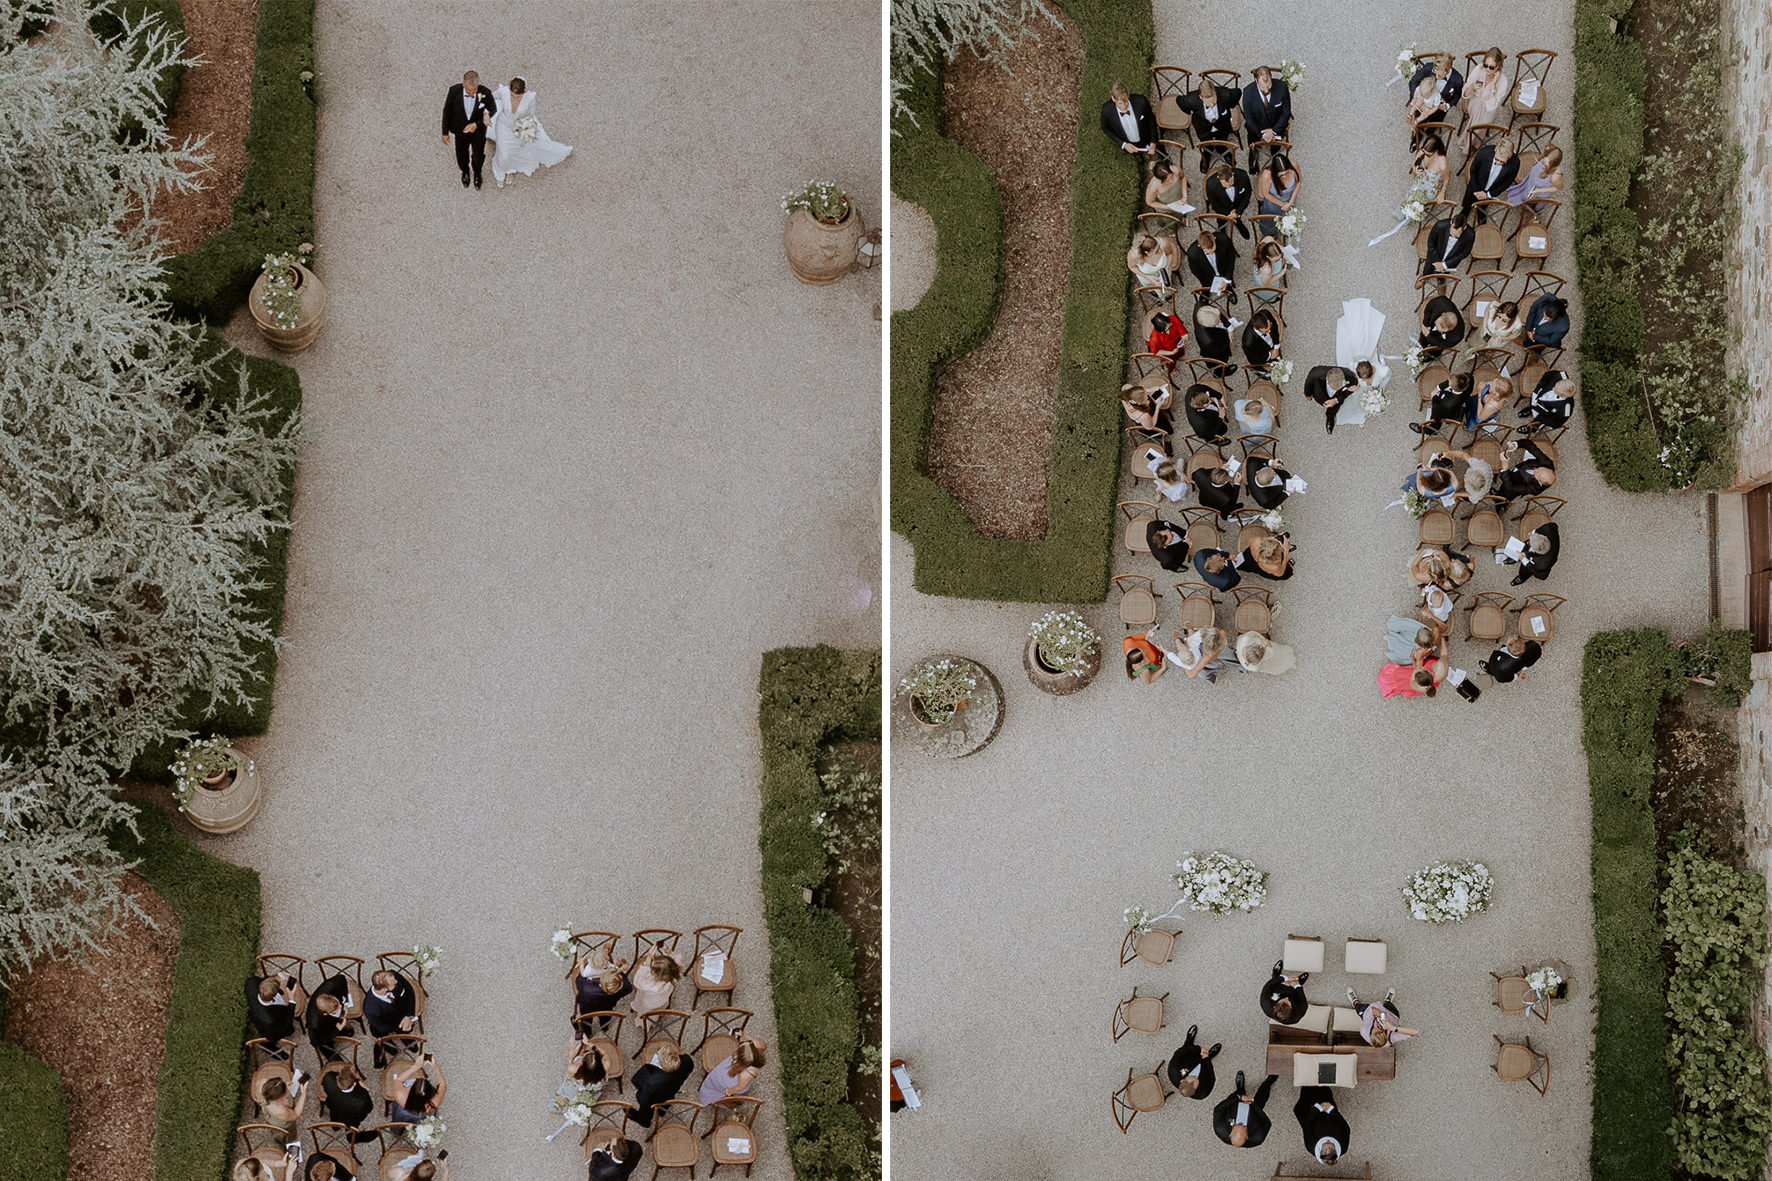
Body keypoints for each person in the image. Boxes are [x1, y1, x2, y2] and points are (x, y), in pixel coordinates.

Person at [489, 77, 572, 189]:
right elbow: (490, 98)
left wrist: (526, 127)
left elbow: (530, 113)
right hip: (503, 125)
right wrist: (485, 112)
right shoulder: (503, 92)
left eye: (517, 96)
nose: (514, 98)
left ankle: (510, 170)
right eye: (512, 95)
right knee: (503, 152)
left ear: (523, 92)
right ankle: (500, 173)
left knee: (514, 149)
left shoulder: (530, 98)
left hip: (518, 127)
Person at [441, 70, 496, 189]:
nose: (471, 93)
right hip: (460, 130)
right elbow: (447, 111)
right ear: (463, 84)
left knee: (478, 156)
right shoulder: (454, 91)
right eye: (469, 90)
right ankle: (465, 171)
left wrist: (477, 124)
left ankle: (477, 173)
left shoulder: (485, 92)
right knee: (461, 154)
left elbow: (492, 108)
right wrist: (444, 132)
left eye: (474, 90)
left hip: (478, 132)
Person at [632, 1043, 695, 1127]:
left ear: (659, 1063)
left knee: (646, 1109)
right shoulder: (687, 1061)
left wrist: (638, 1092)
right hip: (670, 1091)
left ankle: (644, 1122)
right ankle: (661, 1112)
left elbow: (642, 1099)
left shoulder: (651, 1079)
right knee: (665, 1101)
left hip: (653, 1097)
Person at [365, 968, 418, 1065]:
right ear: (384, 989)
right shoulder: (370, 1008)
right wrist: (401, 1026)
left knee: (406, 1031)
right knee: (381, 1034)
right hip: (386, 1022)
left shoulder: (393, 976)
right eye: (393, 983)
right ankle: (389, 1045)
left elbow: (410, 992)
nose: (396, 981)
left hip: (402, 1012)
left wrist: (409, 1016)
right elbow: (381, 1025)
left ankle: (406, 1038)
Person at [1212, 1071, 1277, 1148]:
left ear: (1230, 1134)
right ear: (1247, 1136)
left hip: (1234, 1105)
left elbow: (1218, 1109)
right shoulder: (1258, 1137)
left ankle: (1240, 1089)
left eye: (1237, 1124)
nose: (1240, 1123)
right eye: (1243, 1126)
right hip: (1254, 1110)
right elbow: (1266, 1122)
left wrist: (1239, 1098)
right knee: (1262, 1096)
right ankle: (1268, 1082)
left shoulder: (1220, 1129)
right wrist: (1254, 1105)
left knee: (1238, 1093)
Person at [1460, 48, 1508, 150]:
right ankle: (1473, 140)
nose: (1487, 69)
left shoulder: (1503, 81)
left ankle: (1471, 140)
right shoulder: (1479, 69)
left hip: (1489, 109)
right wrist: (1472, 86)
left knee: (1479, 123)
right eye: (1486, 65)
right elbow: (1464, 94)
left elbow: (1493, 105)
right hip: (1475, 102)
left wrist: (1494, 85)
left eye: (1491, 67)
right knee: (1477, 118)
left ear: (1498, 66)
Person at [1178, 78, 1239, 158]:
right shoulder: (1191, 100)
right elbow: (1178, 100)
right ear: (1201, 97)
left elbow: (1238, 92)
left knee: (1222, 139)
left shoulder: (1225, 95)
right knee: (1206, 143)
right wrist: (1189, 112)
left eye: (1214, 100)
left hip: (1222, 125)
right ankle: (1207, 153)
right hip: (1203, 127)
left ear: (1215, 93)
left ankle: (1221, 149)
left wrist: (1231, 105)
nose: (1212, 105)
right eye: (1208, 102)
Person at [1241, 66, 1292, 158]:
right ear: (1256, 81)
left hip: (1276, 124)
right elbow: (1248, 118)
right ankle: (1253, 154)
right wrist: (1263, 134)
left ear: (1271, 78)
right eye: (1263, 88)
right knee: (1252, 140)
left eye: (1269, 86)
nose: (1266, 91)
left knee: (1276, 149)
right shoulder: (1248, 92)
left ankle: (1275, 152)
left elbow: (1286, 112)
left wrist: (1274, 131)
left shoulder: (1282, 87)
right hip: (1257, 126)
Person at [572, 952, 633, 1029]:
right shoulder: (621, 986)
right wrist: (620, 970)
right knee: (605, 1018)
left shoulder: (585, 987)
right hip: (607, 1006)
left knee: (586, 1020)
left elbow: (578, 984)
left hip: (587, 1008)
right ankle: (604, 1028)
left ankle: (587, 1032)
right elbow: (629, 989)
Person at [1463, 136, 1520, 219]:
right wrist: (1476, 190)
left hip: (1491, 190)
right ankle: (1465, 211)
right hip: (1475, 185)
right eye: (1497, 159)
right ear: (1496, 149)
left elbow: (1506, 183)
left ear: (1510, 155)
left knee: (1483, 205)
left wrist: (1488, 195)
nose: (1498, 163)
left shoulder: (1515, 163)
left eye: (1502, 161)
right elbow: (1473, 170)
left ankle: (1481, 213)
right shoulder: (1484, 152)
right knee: (1468, 202)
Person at [699, 1034, 766, 1104]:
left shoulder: (747, 1074)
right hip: (734, 1070)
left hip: (733, 1082)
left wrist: (728, 1091)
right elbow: (762, 1044)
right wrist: (743, 1034)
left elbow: (740, 1087)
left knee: (716, 1085)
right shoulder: (756, 1048)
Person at [1378, 632, 1448, 698]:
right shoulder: (1441, 669)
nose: (1420, 668)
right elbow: (1444, 654)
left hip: (1412, 674)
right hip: (1428, 667)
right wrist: (1442, 638)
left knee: (1400, 675)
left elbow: (1416, 668)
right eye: (1422, 669)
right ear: (1430, 673)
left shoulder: (1415, 685)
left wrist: (1412, 658)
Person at [1294, 1086, 1351, 1164]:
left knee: (1307, 1091)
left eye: (1326, 1144)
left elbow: (1306, 1124)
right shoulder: (1343, 1147)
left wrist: (1317, 1109)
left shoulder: (1310, 1146)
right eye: (1331, 1145)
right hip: (1330, 1115)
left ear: (1320, 1150)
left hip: (1310, 1113)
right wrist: (1332, 1110)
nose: (1328, 1141)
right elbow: (1345, 1128)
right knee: (1324, 1090)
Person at [388, 1052, 448, 1125]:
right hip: (424, 1113)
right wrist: (436, 1067)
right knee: (421, 1122)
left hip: (405, 1110)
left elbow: (398, 1080)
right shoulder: (435, 1101)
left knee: (398, 1122)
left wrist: (416, 1066)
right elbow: (442, 1085)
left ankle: (395, 1131)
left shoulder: (401, 1097)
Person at [1347, 985, 1419, 1046]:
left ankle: (1355, 1001)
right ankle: (1387, 1001)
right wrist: (1392, 1028)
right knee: (1389, 1006)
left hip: (1370, 1015)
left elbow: (1372, 1010)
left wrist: (1382, 1017)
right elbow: (1415, 1032)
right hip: (1392, 1015)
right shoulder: (1391, 1037)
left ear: (1371, 1034)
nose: (1379, 1028)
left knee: (1360, 1009)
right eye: (1381, 1031)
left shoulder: (1365, 1031)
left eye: (1376, 1031)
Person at [321, 1062, 376, 1140]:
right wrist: (366, 1089)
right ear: (354, 1084)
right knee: (352, 1125)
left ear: (337, 1077)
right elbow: (369, 1108)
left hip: (333, 1103)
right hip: (350, 1116)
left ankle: (335, 1127)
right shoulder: (361, 1100)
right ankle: (351, 1138)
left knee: (334, 1113)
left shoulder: (328, 1077)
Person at [1100, 81, 1158, 155]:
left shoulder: (1141, 101)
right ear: (1113, 99)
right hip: (1128, 144)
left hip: (1146, 139)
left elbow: (1151, 120)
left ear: (1128, 95)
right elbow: (1106, 128)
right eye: (1120, 103)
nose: (1124, 107)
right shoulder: (1106, 111)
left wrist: (1153, 142)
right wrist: (1123, 144)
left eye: (1126, 102)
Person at [1166, 1023, 1221, 1099]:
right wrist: (1207, 1059)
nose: (1196, 1076)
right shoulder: (1202, 1093)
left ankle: (1189, 1040)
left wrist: (1199, 1049)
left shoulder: (1173, 1070)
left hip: (1190, 1056)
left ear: (1182, 1080)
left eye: (1192, 1077)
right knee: (1206, 1060)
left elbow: (1180, 1053)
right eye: (1197, 1080)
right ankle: (1210, 1055)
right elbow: (1211, 1078)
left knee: (1187, 1047)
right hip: (1205, 1063)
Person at [1253, 154, 1299, 241]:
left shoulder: (1294, 165)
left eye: (1287, 173)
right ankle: (1271, 234)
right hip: (1273, 203)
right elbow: (1266, 194)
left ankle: (1286, 229)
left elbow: (1299, 182)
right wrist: (1283, 204)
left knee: (1289, 219)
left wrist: (1290, 202)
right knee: (1270, 222)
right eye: (1281, 175)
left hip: (1290, 199)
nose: (1285, 176)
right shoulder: (1267, 175)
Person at [1505, 144, 1565, 209]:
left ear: (1553, 165)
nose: (1543, 166)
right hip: (1532, 181)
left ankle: (1532, 209)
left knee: (1525, 197)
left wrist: (1539, 190)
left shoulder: (1555, 177)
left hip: (1538, 189)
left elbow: (1558, 188)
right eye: (1543, 162)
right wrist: (1539, 161)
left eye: (1546, 166)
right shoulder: (1549, 157)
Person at [245, 971, 298, 1044]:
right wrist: (292, 1000)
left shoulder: (251, 983)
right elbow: (287, 1020)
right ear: (274, 995)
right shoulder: (272, 1018)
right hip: (271, 1030)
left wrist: (278, 976)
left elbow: (264, 981)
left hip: (255, 1011)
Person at [1166, 627, 1233, 683]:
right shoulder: (1221, 633)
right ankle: (1179, 638)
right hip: (1210, 649)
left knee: (1200, 670)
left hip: (1205, 655)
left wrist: (1184, 662)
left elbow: (1190, 674)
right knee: (1186, 644)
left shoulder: (1207, 656)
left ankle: (1177, 639)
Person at [1406, 52, 1464, 117]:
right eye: (1434, 71)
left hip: (1438, 107)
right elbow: (1413, 81)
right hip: (1422, 99)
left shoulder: (1458, 80)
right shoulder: (1428, 68)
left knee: (1434, 124)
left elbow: (1457, 96)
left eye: (1439, 75)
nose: (1436, 77)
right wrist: (1415, 98)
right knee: (1418, 117)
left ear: (1447, 71)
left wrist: (1446, 106)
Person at [1205, 162, 1253, 239]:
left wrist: (1237, 213)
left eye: (1230, 184)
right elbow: (1214, 204)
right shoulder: (1210, 184)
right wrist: (1229, 214)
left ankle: (1238, 222)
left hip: (1237, 204)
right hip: (1222, 207)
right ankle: (1222, 229)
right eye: (1224, 185)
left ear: (1232, 174)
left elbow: (1247, 194)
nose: (1227, 187)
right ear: (1218, 177)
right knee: (1221, 221)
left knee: (1237, 218)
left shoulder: (1243, 176)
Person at [1187, 228, 1237, 297]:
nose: (1211, 252)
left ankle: (1228, 288)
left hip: (1223, 270)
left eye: (1213, 249)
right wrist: (1211, 283)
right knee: (1205, 288)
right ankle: (1206, 292)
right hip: (1207, 276)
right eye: (1208, 251)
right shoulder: (1192, 253)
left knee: (1227, 284)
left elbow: (1231, 258)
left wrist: (1227, 279)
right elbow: (1196, 271)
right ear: (1200, 246)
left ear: (1214, 238)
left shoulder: (1224, 239)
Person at [629, 950, 682, 1015]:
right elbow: (673, 957)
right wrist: (665, 949)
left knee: (644, 1009)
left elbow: (637, 982)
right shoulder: (672, 973)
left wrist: (645, 966)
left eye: (651, 969)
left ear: (657, 974)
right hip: (661, 999)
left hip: (649, 1002)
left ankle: (643, 1019)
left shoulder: (653, 986)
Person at [1420, 209, 1472, 274]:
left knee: (1444, 274)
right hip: (1435, 256)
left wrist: (1445, 265)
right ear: (1451, 222)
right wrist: (1438, 262)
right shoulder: (1439, 226)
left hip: (1451, 261)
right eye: (1452, 233)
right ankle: (1425, 276)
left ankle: (1441, 279)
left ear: (1464, 228)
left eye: (1456, 235)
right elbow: (1431, 243)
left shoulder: (1470, 234)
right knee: (1427, 270)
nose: (1453, 236)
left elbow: (1464, 253)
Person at [1304, 364, 1350, 434]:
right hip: (1320, 393)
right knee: (1322, 399)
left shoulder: (1350, 377)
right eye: (1333, 386)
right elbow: (1309, 381)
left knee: (1337, 402)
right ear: (1326, 377)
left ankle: (1330, 417)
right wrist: (1308, 394)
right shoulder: (1317, 372)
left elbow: (1350, 389)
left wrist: (1336, 400)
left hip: (1337, 396)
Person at [306, 990, 351, 1061]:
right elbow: (315, 1042)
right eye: (335, 1011)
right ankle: (330, 1055)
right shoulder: (314, 1025)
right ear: (325, 1014)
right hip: (323, 1035)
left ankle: (340, 1032)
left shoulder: (330, 997)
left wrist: (343, 1006)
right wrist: (337, 1029)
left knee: (348, 1031)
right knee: (327, 1048)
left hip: (332, 1023)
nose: (340, 1008)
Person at [1410, 132, 1450, 204]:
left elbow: (1446, 179)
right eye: (1424, 152)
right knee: (1411, 197)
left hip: (1431, 185)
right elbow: (1414, 163)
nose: (1424, 155)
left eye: (1428, 155)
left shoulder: (1442, 164)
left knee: (1420, 203)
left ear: (1436, 151)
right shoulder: (1423, 151)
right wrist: (1415, 171)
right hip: (1419, 179)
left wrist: (1442, 192)